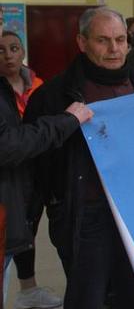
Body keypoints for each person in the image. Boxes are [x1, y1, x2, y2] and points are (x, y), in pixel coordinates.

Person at [25, 8, 134, 308]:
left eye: (121, 39)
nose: (114, 49)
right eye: (103, 40)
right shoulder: (54, 95)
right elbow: (37, 163)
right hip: (86, 212)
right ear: (82, 42)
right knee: (88, 297)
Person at [0, 32, 61, 309]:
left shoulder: (38, 84)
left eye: (14, 48)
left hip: (36, 172)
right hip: (12, 173)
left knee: (28, 231)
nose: (8, 54)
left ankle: (28, 289)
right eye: (1, 49)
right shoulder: (2, 91)